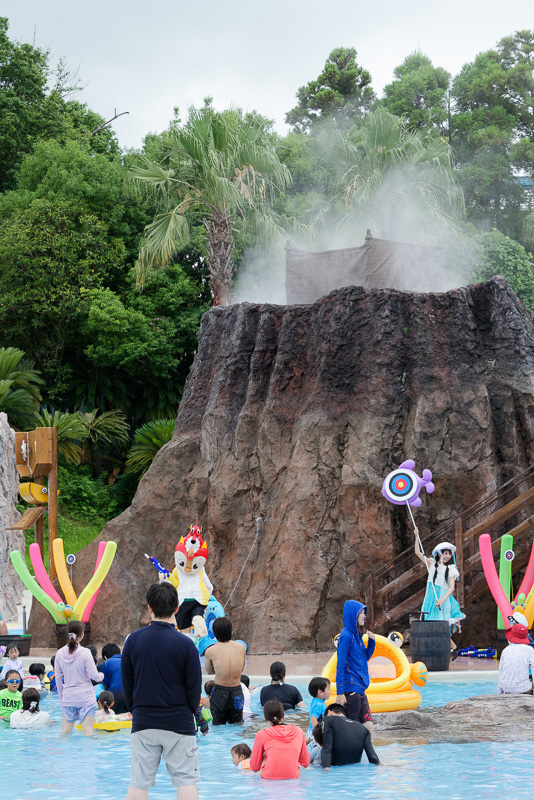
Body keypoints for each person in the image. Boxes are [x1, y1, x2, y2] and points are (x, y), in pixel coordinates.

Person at [121, 581, 202, 800]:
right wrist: (192, 712)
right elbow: (194, 689)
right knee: (186, 780)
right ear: (177, 608)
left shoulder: (133, 641)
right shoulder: (186, 645)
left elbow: (127, 683)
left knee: (139, 782)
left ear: (149, 608)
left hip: (144, 720)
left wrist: (134, 709)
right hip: (179, 722)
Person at [415, 532, 465, 656]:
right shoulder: (431, 564)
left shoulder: (451, 569)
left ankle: (453, 648)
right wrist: (416, 536)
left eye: (449, 554)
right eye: (445, 553)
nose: (447, 556)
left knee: (441, 627)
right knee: (430, 625)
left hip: (443, 601)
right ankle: (449, 649)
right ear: (439, 553)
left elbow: (452, 587)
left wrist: (442, 599)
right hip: (430, 599)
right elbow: (417, 552)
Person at [55, 619, 104, 737]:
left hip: (68, 697)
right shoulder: (85, 653)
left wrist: (62, 697)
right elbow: (94, 676)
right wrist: (102, 675)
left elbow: (58, 678)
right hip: (85, 697)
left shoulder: (60, 653)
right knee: (88, 731)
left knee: (65, 732)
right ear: (81, 634)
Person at [335, 600, 375, 735]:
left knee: (368, 727)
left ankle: (368, 756)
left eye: (364, 613)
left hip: (360, 688)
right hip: (351, 689)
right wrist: (340, 692)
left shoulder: (357, 636)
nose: (364, 616)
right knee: (352, 730)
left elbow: (364, 657)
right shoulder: (346, 635)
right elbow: (340, 663)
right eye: (360, 613)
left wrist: (372, 642)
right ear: (353, 615)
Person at [250, 700, 310, 780]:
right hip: (293, 778)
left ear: (265, 717)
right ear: (283, 715)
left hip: (268, 778)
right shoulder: (298, 731)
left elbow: (254, 768)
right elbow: (305, 763)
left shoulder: (261, 734)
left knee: (265, 754)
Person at [204, 617, 247, 725]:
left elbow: (209, 671)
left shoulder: (210, 650)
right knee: (237, 724)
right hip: (237, 692)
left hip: (219, 693)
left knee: (217, 725)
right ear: (230, 630)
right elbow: (241, 668)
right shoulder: (241, 647)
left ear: (214, 632)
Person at [313, 703, 380, 768]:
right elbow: (372, 757)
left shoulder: (328, 720)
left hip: (335, 769)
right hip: (356, 771)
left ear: (329, 713)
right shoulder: (363, 728)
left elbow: (327, 748)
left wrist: (326, 768)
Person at [498, 623, 534, 694]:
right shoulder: (529, 650)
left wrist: (499, 693)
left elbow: (501, 673)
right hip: (523, 689)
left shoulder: (505, 650)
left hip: (507, 690)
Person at [100, 643, 127, 713]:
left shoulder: (106, 664)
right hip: (130, 693)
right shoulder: (128, 660)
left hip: (115, 694)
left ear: (105, 657)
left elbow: (106, 683)